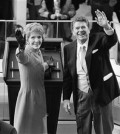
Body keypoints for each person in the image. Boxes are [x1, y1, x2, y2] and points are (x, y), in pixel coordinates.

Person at [63, 10, 120, 134]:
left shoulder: (98, 39)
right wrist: (66, 98)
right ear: (73, 31)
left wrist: (106, 26)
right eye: (77, 28)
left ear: (88, 29)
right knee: (83, 128)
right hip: (82, 94)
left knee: (104, 129)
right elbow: (67, 76)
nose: (80, 30)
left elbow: (111, 40)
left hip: (102, 92)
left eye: (83, 27)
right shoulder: (68, 48)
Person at [13, 23, 52, 134]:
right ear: (27, 39)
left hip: (39, 96)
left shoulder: (38, 51)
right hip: (28, 99)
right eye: (33, 37)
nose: (36, 40)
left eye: (39, 37)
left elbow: (37, 66)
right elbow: (21, 58)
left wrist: (47, 65)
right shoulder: (25, 52)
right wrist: (20, 46)